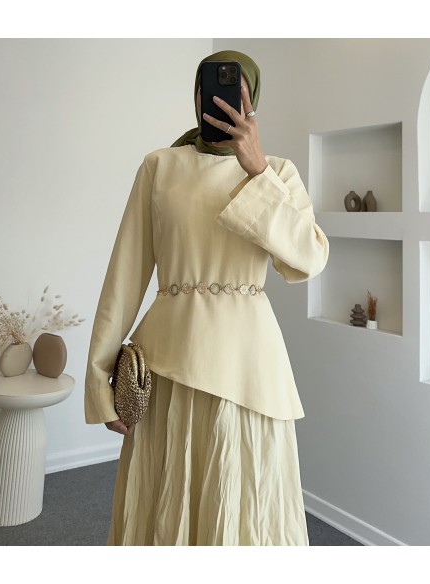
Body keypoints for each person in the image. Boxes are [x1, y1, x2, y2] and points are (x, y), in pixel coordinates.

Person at [84, 49, 329, 546]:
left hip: (249, 367)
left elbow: (307, 259)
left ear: (252, 99)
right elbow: (124, 277)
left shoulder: (277, 172)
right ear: (196, 96)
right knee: (167, 498)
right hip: (169, 363)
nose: (219, 99)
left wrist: (257, 170)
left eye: (234, 89)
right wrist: (98, 379)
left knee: (245, 501)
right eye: (209, 87)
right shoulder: (160, 166)